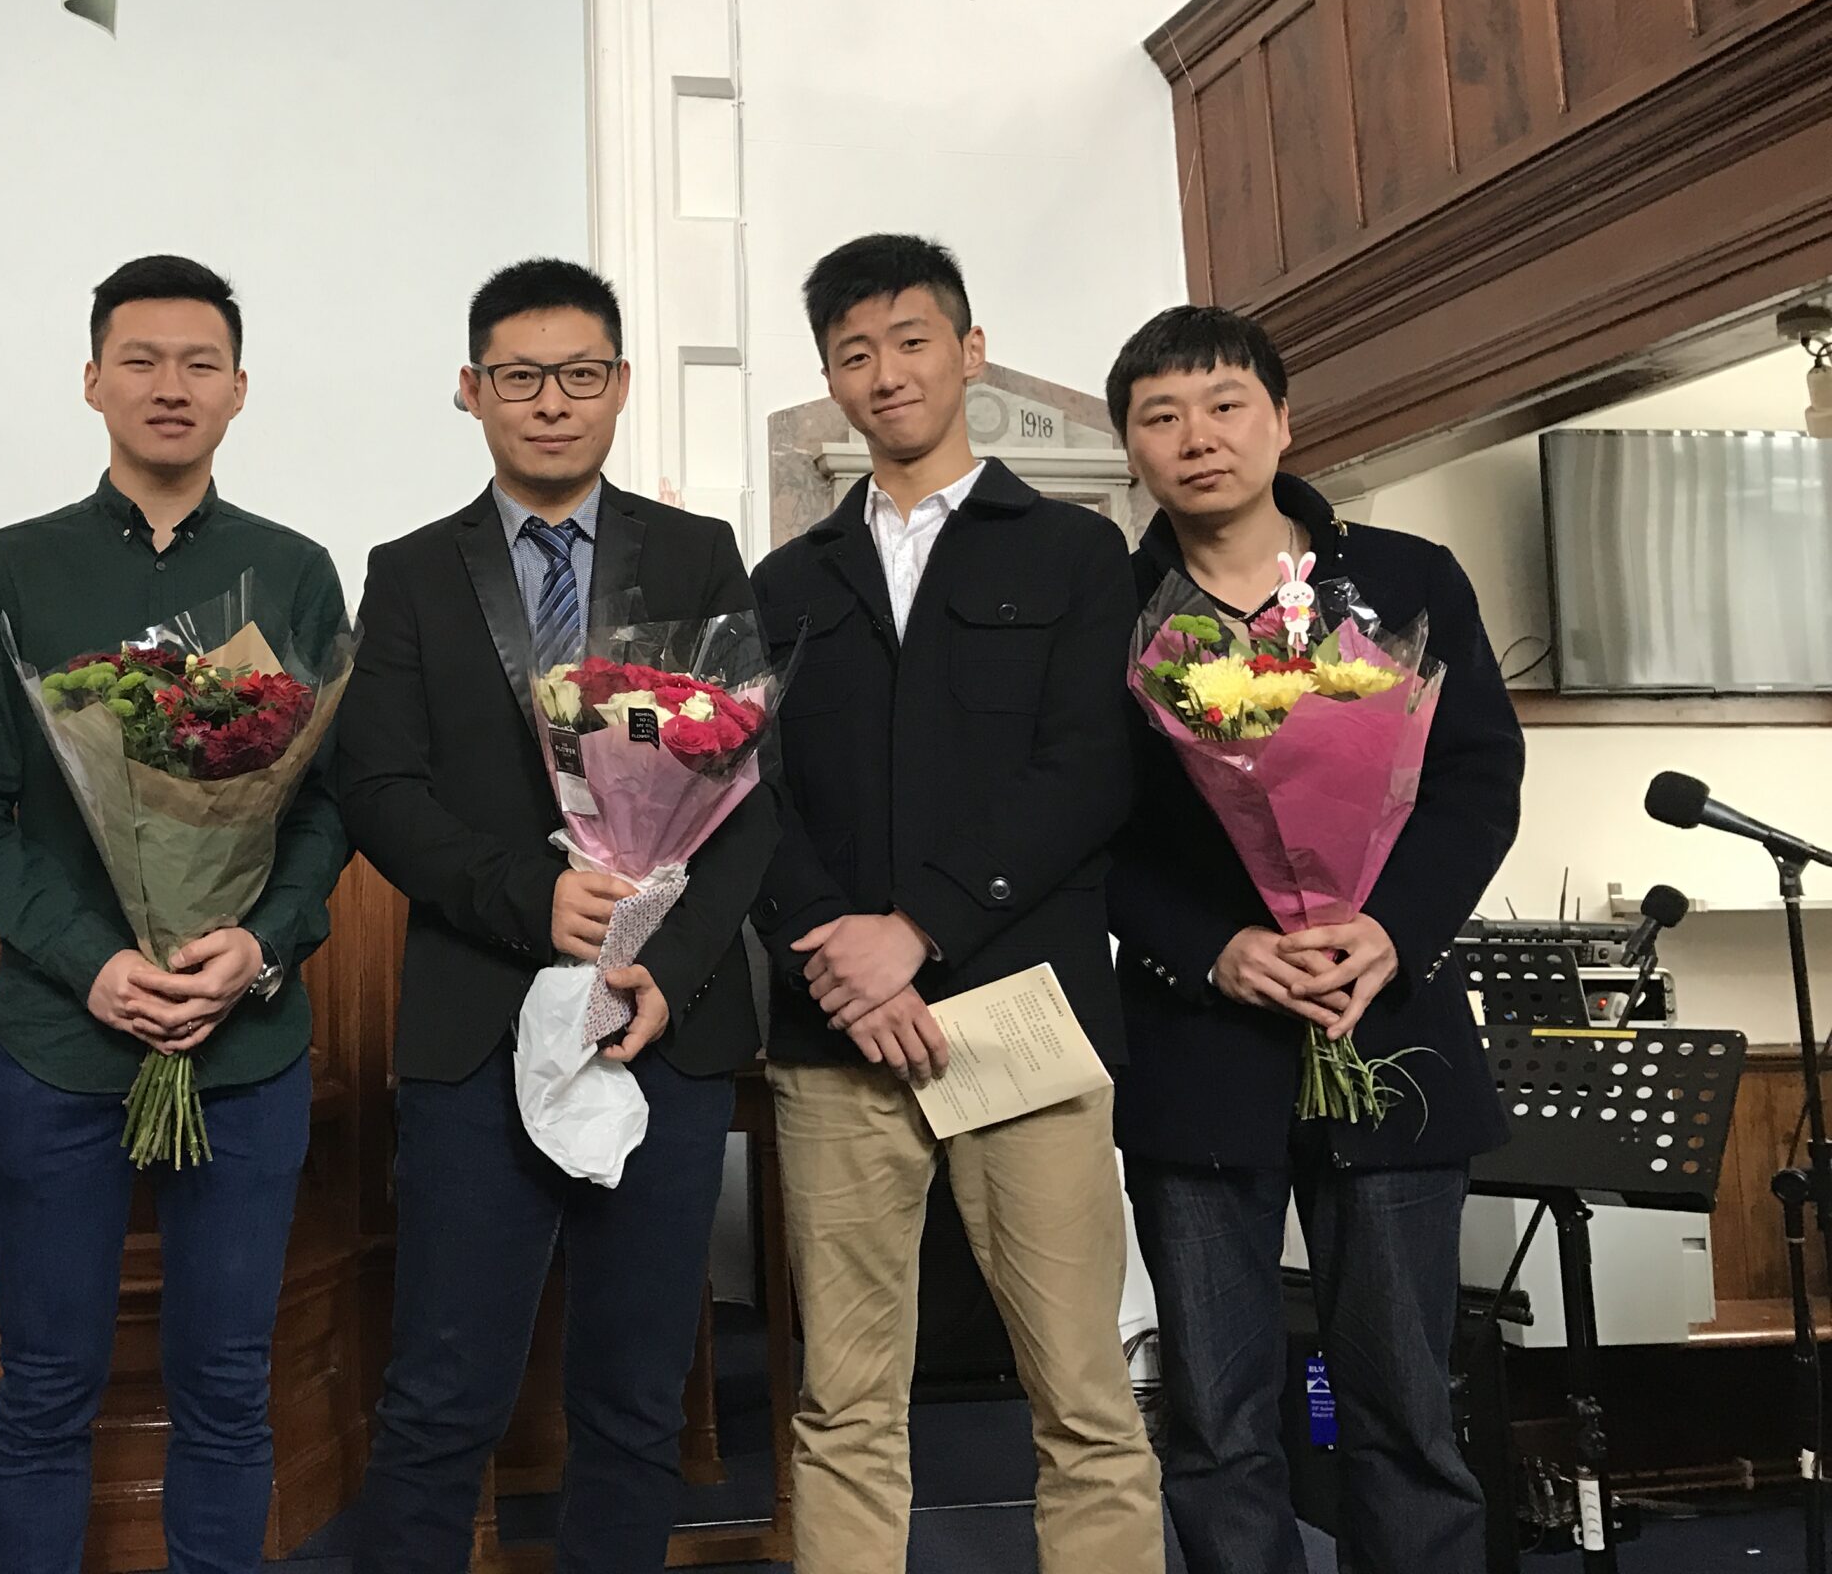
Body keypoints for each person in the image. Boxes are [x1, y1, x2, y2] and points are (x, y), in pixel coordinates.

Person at [337, 258, 777, 1574]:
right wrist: (537, 901)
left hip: (662, 1029)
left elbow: (750, 792)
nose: (550, 402)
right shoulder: (412, 572)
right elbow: (380, 789)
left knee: (637, 1400)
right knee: (441, 1398)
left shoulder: (697, 555)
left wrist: (666, 966)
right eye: (520, 377)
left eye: (579, 374)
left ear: (620, 386)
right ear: (471, 390)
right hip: (479, 1024)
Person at [0, 254, 350, 1574]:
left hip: (245, 1047)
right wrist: (90, 960)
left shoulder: (292, 571)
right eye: (142, 360)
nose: (172, 385)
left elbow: (327, 808)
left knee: (226, 1388)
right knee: (46, 1388)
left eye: (199, 362)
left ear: (239, 389)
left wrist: (259, 946)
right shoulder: (11, 569)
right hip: (61, 1043)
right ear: (93, 381)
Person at [747, 234, 1163, 1574]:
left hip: (1016, 1012)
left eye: (913, 340)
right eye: (855, 352)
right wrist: (836, 963)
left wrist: (914, 932)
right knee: (843, 1404)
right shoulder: (786, 584)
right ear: (830, 377)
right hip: (837, 1034)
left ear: (969, 352)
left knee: (1083, 1396)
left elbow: (1088, 770)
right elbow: (746, 796)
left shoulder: (1077, 552)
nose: (887, 373)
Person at [1104, 305, 1521, 1574]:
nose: (1197, 437)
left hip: (1383, 1026)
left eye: (1225, 405)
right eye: (1161, 416)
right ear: (1131, 445)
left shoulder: (1404, 579)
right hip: (1199, 1045)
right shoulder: (1108, 613)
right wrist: (1210, 950)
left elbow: (1475, 780)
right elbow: (1083, 828)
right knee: (1215, 1421)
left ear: (1282, 421)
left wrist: (1391, 931)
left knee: (1405, 1412)